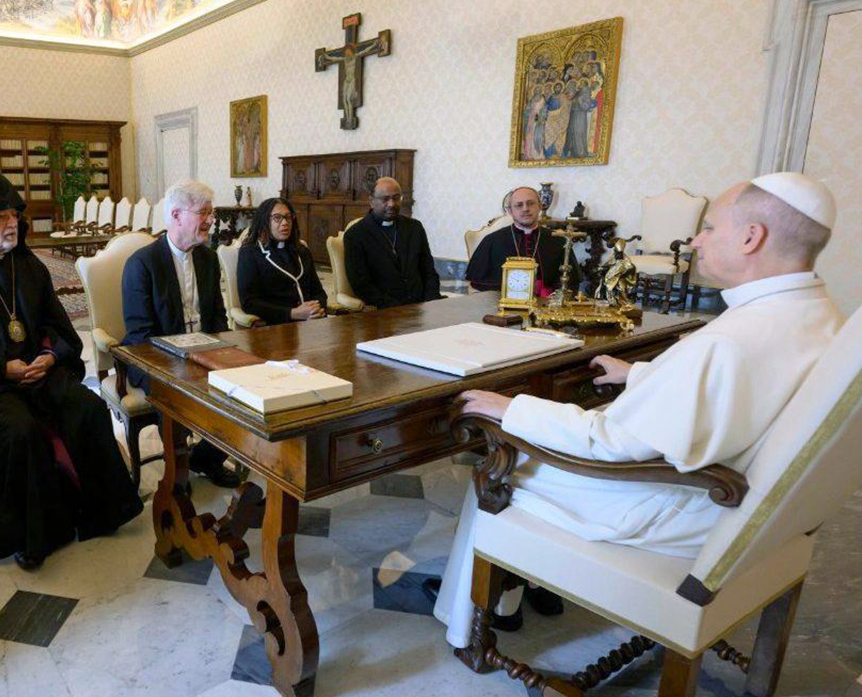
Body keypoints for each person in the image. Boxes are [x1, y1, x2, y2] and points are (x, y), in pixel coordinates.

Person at [434, 172, 842, 643]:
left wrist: (513, 409)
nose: (696, 240)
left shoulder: (730, 340)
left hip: (675, 506)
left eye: (710, 227)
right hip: (744, 505)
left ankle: (473, 617)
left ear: (752, 237)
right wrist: (642, 375)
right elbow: (735, 390)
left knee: (500, 465)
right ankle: (524, 588)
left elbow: (608, 442)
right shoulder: (819, 315)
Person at [0, 158, 142, 571]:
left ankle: (101, 510)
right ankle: (33, 534)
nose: (12, 225)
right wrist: (2, 368)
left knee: (88, 407)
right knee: (19, 430)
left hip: (37, 373)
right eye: (0, 217)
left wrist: (50, 356)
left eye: (14, 216)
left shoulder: (29, 266)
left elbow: (58, 327)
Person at [121, 180, 244, 488]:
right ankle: (177, 472)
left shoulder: (208, 258)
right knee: (174, 393)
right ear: (176, 215)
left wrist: (227, 355)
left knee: (242, 386)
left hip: (204, 352)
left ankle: (206, 458)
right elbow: (140, 335)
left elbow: (217, 317)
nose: (211, 220)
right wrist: (181, 363)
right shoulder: (142, 263)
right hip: (153, 359)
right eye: (203, 213)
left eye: (211, 213)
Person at [343, 176, 443, 308]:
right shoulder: (356, 234)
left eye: (396, 198)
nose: (391, 204)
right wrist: (395, 308)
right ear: (371, 201)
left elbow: (428, 270)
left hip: (421, 306)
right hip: (385, 310)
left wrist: (432, 301)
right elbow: (361, 284)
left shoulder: (414, 228)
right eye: (385, 199)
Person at [465, 186, 578, 295]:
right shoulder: (492, 241)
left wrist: (549, 291)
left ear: (540, 206)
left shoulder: (558, 239)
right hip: (502, 303)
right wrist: (512, 289)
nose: (525, 209)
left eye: (531, 203)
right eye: (519, 205)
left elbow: (572, 280)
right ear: (510, 211)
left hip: (546, 304)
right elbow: (478, 282)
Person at [237, 197, 327, 324]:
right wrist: (292, 313)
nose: (285, 223)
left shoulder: (302, 251)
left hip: (312, 322)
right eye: (277, 218)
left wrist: (316, 309)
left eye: (288, 217)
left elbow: (319, 292)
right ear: (265, 221)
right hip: (276, 326)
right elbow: (249, 302)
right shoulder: (250, 253)